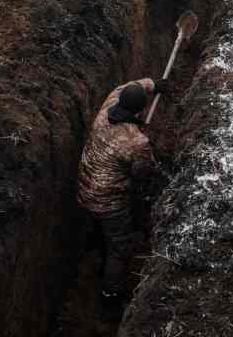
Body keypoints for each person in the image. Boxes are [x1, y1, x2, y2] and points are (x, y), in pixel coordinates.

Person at [77, 77, 169, 303]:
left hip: (84, 189)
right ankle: (111, 293)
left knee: (100, 234)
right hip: (109, 203)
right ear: (141, 109)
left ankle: (97, 250)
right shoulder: (136, 143)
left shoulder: (107, 107)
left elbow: (122, 87)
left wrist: (152, 84)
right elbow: (142, 174)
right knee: (119, 248)